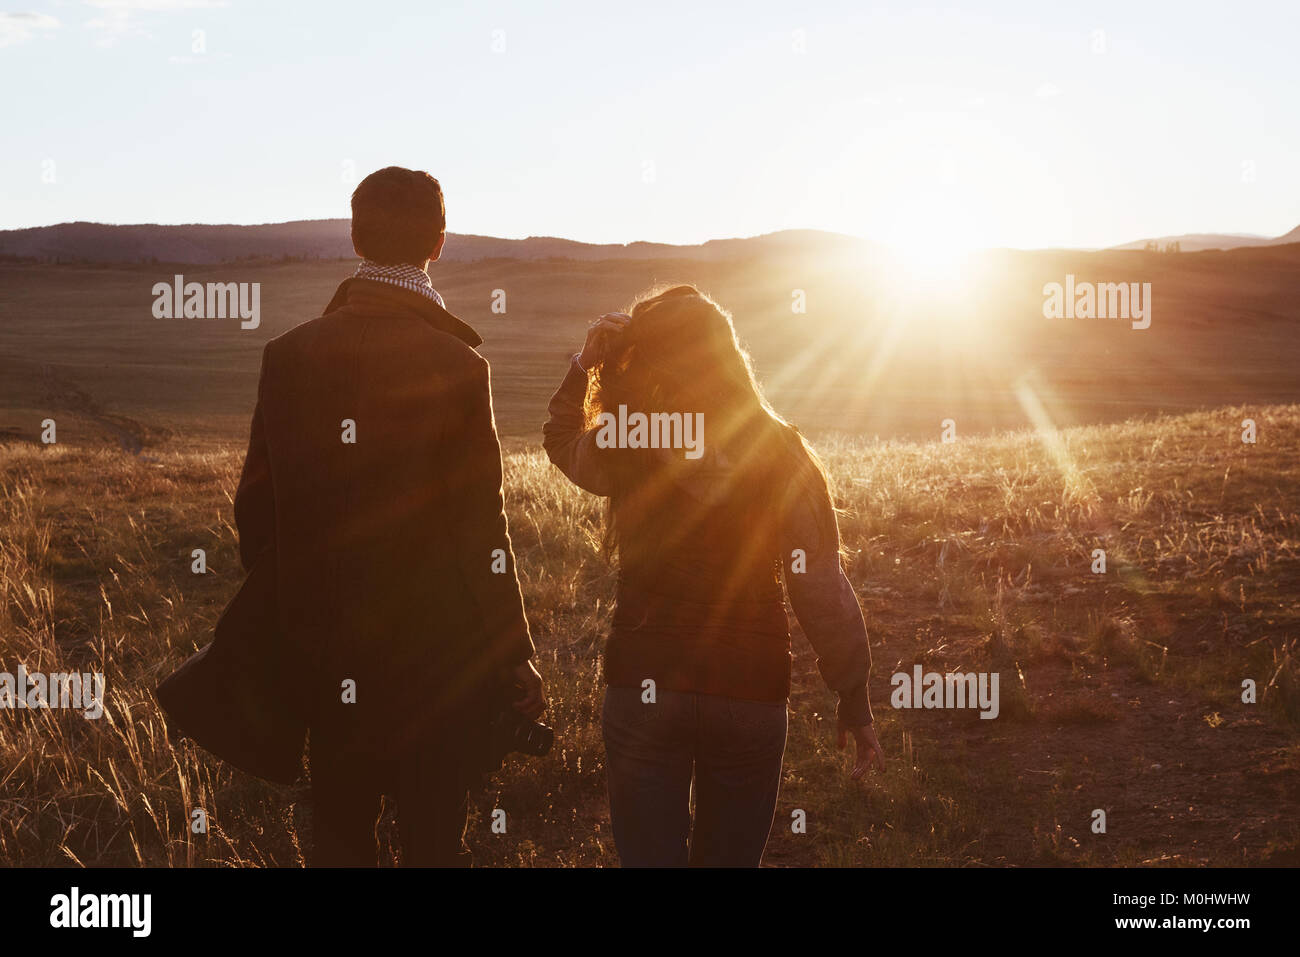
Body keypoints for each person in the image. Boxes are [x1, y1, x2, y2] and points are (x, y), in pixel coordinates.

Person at [232, 166, 545, 866]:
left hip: (327, 657)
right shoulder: (459, 365)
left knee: (340, 834)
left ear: (355, 236)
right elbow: (480, 530)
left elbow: (256, 511)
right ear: (439, 242)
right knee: (434, 836)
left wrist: (296, 618)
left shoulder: (287, 356)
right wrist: (511, 649)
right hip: (438, 662)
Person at [543, 284, 884, 867]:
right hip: (748, 689)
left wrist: (585, 365)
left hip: (645, 681)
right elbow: (819, 583)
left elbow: (561, 444)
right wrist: (853, 697)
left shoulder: (631, 439)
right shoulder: (780, 449)